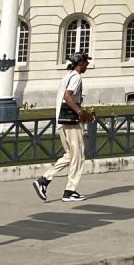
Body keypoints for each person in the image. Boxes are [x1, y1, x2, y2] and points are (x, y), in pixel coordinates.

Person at [34, 52, 95, 202]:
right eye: (86, 62)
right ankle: (70, 191)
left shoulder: (67, 76)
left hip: (61, 121)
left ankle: (44, 180)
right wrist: (81, 113)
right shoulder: (76, 77)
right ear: (80, 63)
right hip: (71, 122)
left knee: (70, 155)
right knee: (79, 155)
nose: (87, 65)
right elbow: (68, 96)